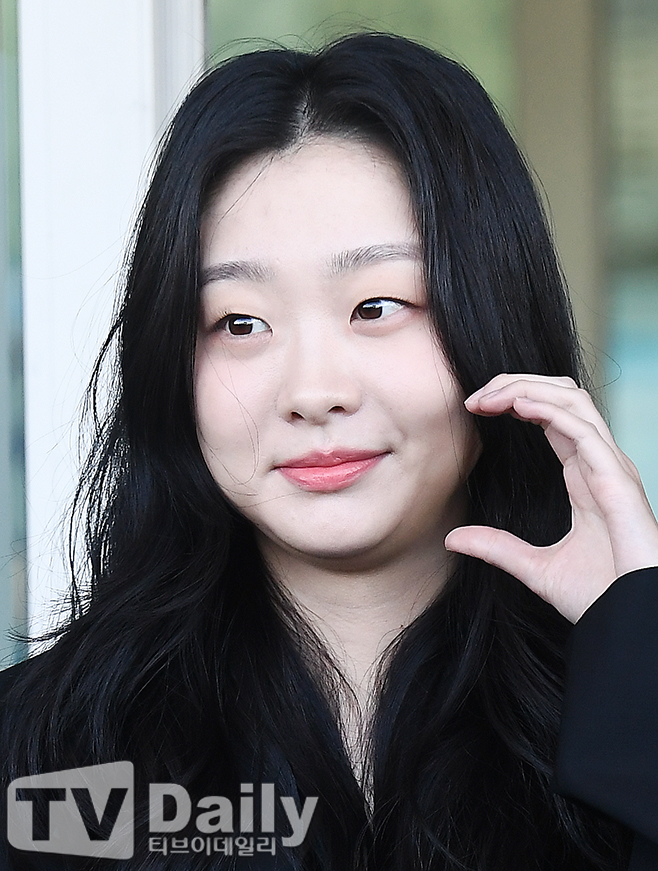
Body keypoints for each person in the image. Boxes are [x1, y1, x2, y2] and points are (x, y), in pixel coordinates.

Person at [2, 31, 658, 871]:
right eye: (240, 323)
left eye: (377, 307)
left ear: (491, 314)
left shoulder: (626, 711)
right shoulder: (44, 759)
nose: (313, 391)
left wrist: (635, 639)